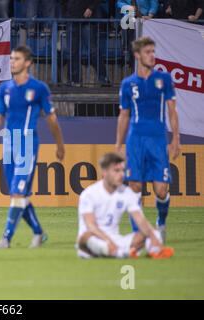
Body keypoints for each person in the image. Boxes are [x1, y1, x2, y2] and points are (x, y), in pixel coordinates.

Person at [0, 45, 65, 249]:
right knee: (19, 195)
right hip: (9, 144)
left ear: (27, 62)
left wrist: (59, 144)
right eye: (10, 59)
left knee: (18, 194)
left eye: (16, 59)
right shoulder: (5, 88)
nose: (12, 62)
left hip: (27, 143)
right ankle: (38, 232)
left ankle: (6, 238)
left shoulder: (39, 88)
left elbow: (51, 118)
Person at [116, 36, 180, 243]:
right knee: (135, 186)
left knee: (161, 191)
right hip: (135, 140)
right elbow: (124, 115)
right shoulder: (128, 84)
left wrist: (175, 139)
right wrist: (118, 144)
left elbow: (172, 111)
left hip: (157, 139)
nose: (152, 56)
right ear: (137, 55)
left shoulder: (164, 79)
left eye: (153, 51)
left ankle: (161, 221)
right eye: (148, 52)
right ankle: (140, 233)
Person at [76, 152, 173, 259]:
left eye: (123, 170)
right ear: (104, 172)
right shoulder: (89, 194)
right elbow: (91, 226)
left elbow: (141, 221)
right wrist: (107, 240)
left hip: (115, 240)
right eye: (116, 171)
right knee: (85, 237)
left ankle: (154, 251)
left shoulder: (127, 193)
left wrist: (153, 237)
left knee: (153, 232)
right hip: (95, 238)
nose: (122, 174)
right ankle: (121, 253)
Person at [61, 0, 110, 86]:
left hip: (88, 19)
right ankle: (74, 80)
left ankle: (104, 78)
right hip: (71, 19)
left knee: (93, 50)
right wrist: (65, 14)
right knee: (72, 51)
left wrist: (91, 8)